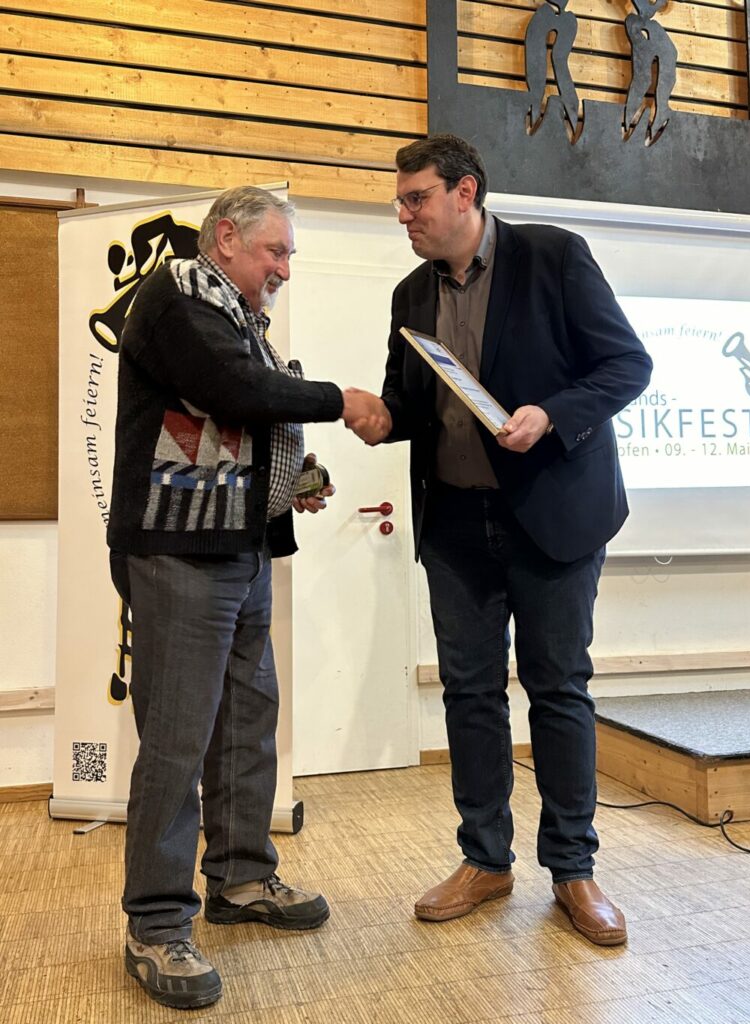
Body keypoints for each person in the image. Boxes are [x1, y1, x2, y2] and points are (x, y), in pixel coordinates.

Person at [107, 185, 389, 1009]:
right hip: (179, 552)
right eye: (277, 251)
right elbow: (230, 389)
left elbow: (234, 424)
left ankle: (238, 877)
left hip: (239, 548)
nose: (285, 269)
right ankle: (156, 924)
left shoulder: (233, 312)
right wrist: (341, 401)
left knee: (246, 719)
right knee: (177, 738)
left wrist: (293, 477)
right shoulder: (177, 295)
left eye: (289, 254)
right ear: (226, 238)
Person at [376, 134, 652, 945]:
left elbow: (626, 366)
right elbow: (410, 402)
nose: (405, 215)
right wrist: (378, 417)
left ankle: (573, 870)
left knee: (557, 688)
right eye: (401, 202)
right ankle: (485, 860)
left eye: (417, 198)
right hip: (455, 525)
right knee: (469, 693)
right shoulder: (409, 295)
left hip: (554, 517)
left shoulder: (553, 257)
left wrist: (553, 415)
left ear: (465, 193)